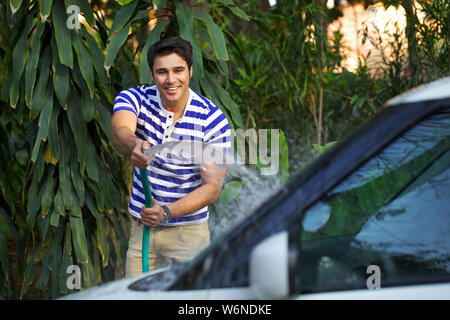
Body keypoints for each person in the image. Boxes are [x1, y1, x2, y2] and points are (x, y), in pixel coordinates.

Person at [110, 37, 231, 276]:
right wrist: (135, 144)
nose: (171, 79)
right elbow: (120, 131)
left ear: (190, 71)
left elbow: (212, 188)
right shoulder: (136, 98)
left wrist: (166, 212)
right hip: (142, 228)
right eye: (162, 72)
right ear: (152, 74)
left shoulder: (212, 120)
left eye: (178, 70)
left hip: (189, 233)